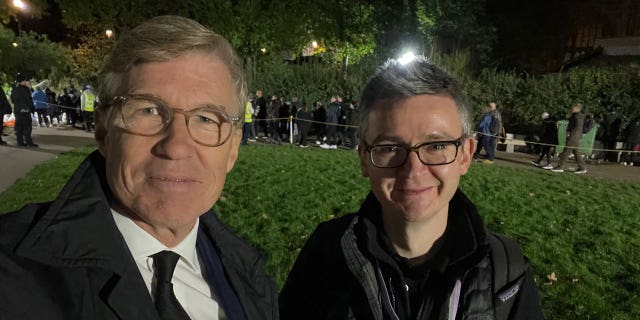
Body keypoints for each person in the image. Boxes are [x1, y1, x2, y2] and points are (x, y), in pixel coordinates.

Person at [0, 16, 278, 320]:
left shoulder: (251, 275)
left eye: (206, 119)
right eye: (148, 110)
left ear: (233, 148)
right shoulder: (13, 276)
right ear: (104, 131)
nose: (175, 147)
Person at [280, 56, 543, 319]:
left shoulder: (506, 270)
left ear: (466, 155)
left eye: (436, 146)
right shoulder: (326, 255)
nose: (413, 170)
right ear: (363, 160)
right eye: (390, 148)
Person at [544, 103, 587, 174]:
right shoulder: (575, 116)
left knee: (566, 152)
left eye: (573, 107)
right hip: (575, 137)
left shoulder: (578, 116)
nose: (572, 109)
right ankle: (582, 168)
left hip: (573, 137)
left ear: (578, 108)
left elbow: (577, 127)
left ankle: (561, 166)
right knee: (576, 153)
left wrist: (570, 133)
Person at [10, 72, 37, 147]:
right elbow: (29, 101)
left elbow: (12, 100)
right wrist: (32, 109)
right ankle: (29, 143)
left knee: (19, 127)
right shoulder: (25, 90)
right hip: (25, 110)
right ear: (24, 81)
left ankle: (20, 142)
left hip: (17, 111)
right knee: (27, 127)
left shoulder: (14, 90)